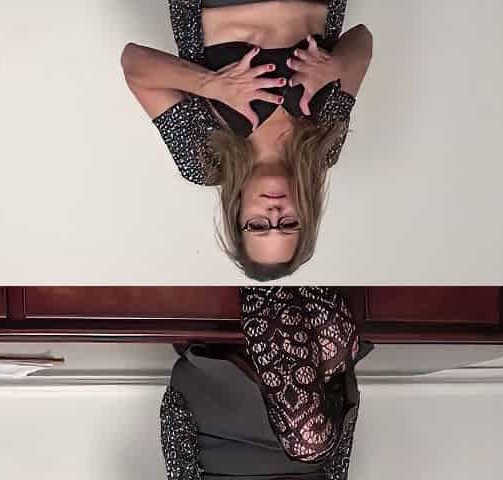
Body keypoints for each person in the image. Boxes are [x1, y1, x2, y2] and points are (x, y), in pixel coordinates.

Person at [121, 1, 373, 280]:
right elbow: (362, 40)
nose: (274, 213)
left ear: (238, 217)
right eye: (288, 223)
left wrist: (211, 84)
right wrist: (337, 66)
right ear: (306, 215)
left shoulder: (202, 158)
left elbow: (133, 63)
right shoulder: (323, 147)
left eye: (258, 225)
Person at [160, 287, 374, 479]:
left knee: (308, 440)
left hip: (228, 415)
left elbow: (178, 448)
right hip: (307, 425)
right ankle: (270, 275)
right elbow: (337, 464)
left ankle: (266, 276)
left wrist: (181, 399)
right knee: (334, 348)